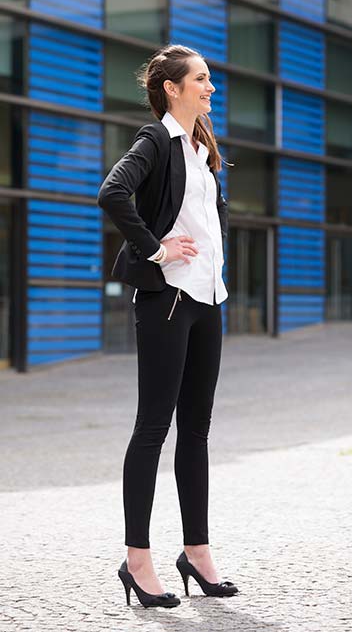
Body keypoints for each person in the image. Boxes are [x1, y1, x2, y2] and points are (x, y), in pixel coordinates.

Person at [97, 44, 239, 608]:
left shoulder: (203, 145)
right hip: (169, 299)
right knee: (153, 428)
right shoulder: (155, 139)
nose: (210, 87)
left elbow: (210, 220)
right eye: (201, 79)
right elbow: (112, 192)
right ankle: (137, 560)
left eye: (209, 79)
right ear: (173, 88)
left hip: (208, 298)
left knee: (197, 432)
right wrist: (154, 249)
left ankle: (196, 553)